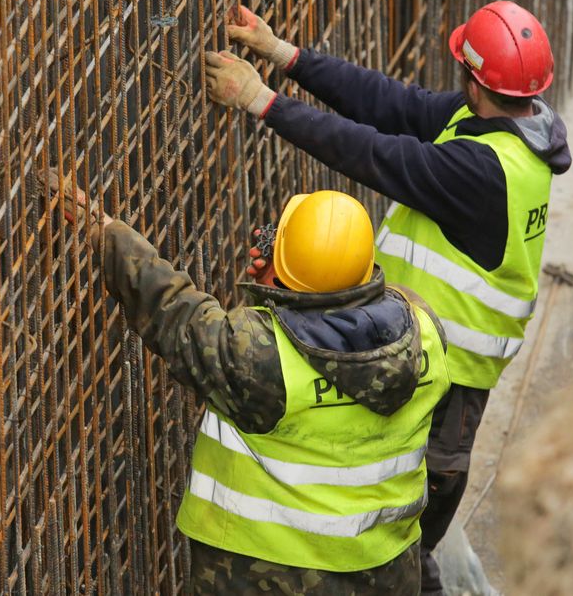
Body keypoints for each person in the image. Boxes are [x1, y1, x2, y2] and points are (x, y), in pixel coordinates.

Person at [203, 0, 571, 595]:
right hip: (422, 358)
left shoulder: (481, 171)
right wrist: (285, 56)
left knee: (401, 536)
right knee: (396, 530)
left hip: (446, 384)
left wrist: (261, 101)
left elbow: (371, 153)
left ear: (475, 77)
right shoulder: (504, 124)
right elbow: (389, 103)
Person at [47, 172, 451, 595]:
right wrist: (282, 294)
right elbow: (343, 330)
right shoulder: (423, 329)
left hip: (270, 578)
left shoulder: (259, 360)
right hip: (386, 572)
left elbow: (173, 311)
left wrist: (102, 228)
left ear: (285, 270)